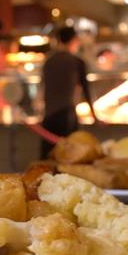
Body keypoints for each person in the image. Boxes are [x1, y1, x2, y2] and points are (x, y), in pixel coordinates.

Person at [40, 26, 92, 158]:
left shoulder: (49, 62)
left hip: (49, 116)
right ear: (74, 40)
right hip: (67, 116)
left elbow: (44, 91)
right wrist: (95, 117)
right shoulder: (76, 62)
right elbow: (87, 91)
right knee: (69, 158)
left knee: (47, 158)